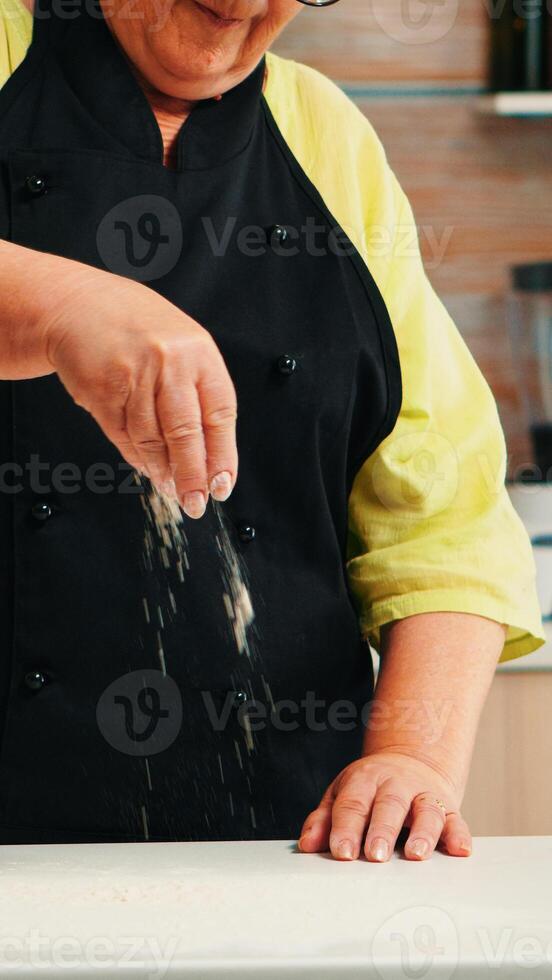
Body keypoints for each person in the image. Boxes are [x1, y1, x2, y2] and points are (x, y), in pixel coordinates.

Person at [0, 0, 544, 859]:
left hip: (293, 852)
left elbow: (445, 524)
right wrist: (59, 306)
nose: (245, 2)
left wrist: (411, 759)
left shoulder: (323, 130)